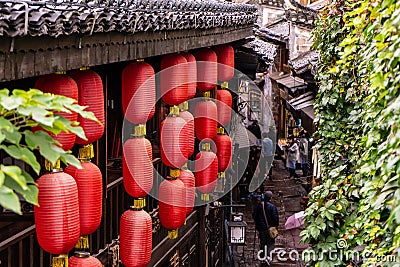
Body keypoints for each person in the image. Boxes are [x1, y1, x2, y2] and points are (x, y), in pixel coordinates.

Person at [252, 191, 279, 265]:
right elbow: (275, 218)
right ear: (270, 198)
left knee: (263, 242)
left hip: (261, 228)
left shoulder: (259, 206)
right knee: (270, 243)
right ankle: (268, 257)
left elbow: (254, 215)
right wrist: (276, 226)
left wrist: (258, 223)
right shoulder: (272, 207)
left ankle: (262, 257)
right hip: (270, 228)